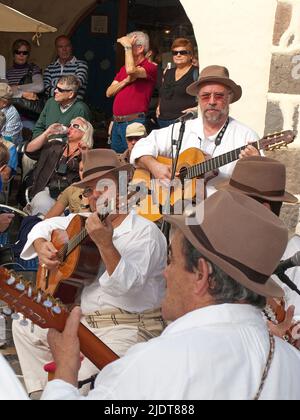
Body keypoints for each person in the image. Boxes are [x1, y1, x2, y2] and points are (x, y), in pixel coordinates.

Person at [40, 191, 300, 400]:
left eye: (172, 260)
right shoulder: (292, 362)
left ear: (201, 275)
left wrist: (65, 370)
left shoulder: (155, 364)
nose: (164, 273)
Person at [13, 149, 167, 396]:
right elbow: (43, 227)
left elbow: (128, 287)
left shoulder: (144, 232)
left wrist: (105, 244)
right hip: (83, 323)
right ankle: (42, 393)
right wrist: (42, 246)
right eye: (89, 190)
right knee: (25, 325)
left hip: (127, 328)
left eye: (103, 187)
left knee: (83, 385)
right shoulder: (80, 220)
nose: (95, 196)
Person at [130, 65, 260, 198]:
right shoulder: (182, 128)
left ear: (229, 98)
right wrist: (155, 167)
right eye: (205, 96)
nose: (212, 102)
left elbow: (259, 187)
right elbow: (140, 147)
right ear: (198, 99)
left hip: (220, 209)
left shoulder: (246, 137)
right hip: (176, 208)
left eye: (219, 96)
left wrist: (255, 167)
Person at [216, 156, 300, 336]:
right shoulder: (221, 245)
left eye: (233, 201)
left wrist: (273, 333)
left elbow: (295, 324)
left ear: (263, 209)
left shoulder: (293, 254)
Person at [22, 75, 91, 180]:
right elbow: (38, 128)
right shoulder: (50, 103)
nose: (55, 91)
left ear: (71, 94)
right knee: (27, 157)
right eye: (56, 87)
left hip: (63, 152)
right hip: (44, 146)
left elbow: (81, 137)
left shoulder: (81, 109)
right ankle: (28, 187)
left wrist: (57, 141)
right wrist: (43, 140)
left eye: (60, 89)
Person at [24, 116, 93, 215]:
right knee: (43, 204)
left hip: (69, 198)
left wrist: (85, 153)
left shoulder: (88, 154)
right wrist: (47, 133)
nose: (70, 127)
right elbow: (29, 150)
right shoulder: (55, 145)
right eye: (70, 125)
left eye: (75, 126)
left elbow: (89, 177)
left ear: (85, 133)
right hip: (46, 191)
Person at [106, 31, 157, 154]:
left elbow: (131, 70)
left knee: (134, 160)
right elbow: (109, 92)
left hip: (134, 122)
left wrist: (128, 47)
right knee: (118, 162)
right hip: (117, 122)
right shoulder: (124, 69)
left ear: (140, 48)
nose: (125, 50)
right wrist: (126, 81)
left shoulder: (150, 67)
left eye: (127, 47)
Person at [157, 38, 199, 128]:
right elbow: (163, 93)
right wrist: (159, 106)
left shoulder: (196, 72)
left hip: (183, 122)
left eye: (182, 52)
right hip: (162, 121)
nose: (178, 55)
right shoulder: (168, 72)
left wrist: (196, 109)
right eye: (175, 53)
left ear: (191, 55)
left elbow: (204, 95)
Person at [6, 39, 44, 128]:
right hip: (10, 116)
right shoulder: (7, 73)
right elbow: (4, 93)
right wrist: (23, 94)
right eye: (18, 52)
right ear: (13, 54)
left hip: (28, 115)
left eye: (25, 53)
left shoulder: (34, 69)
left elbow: (39, 87)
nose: (21, 55)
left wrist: (16, 88)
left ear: (28, 55)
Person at [43, 35, 88, 100]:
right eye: (60, 47)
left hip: (74, 106)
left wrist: (54, 82)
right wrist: (67, 88)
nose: (64, 49)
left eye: (67, 46)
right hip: (54, 106)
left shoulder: (81, 65)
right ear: (56, 49)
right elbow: (46, 88)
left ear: (71, 47)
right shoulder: (49, 68)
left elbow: (76, 84)